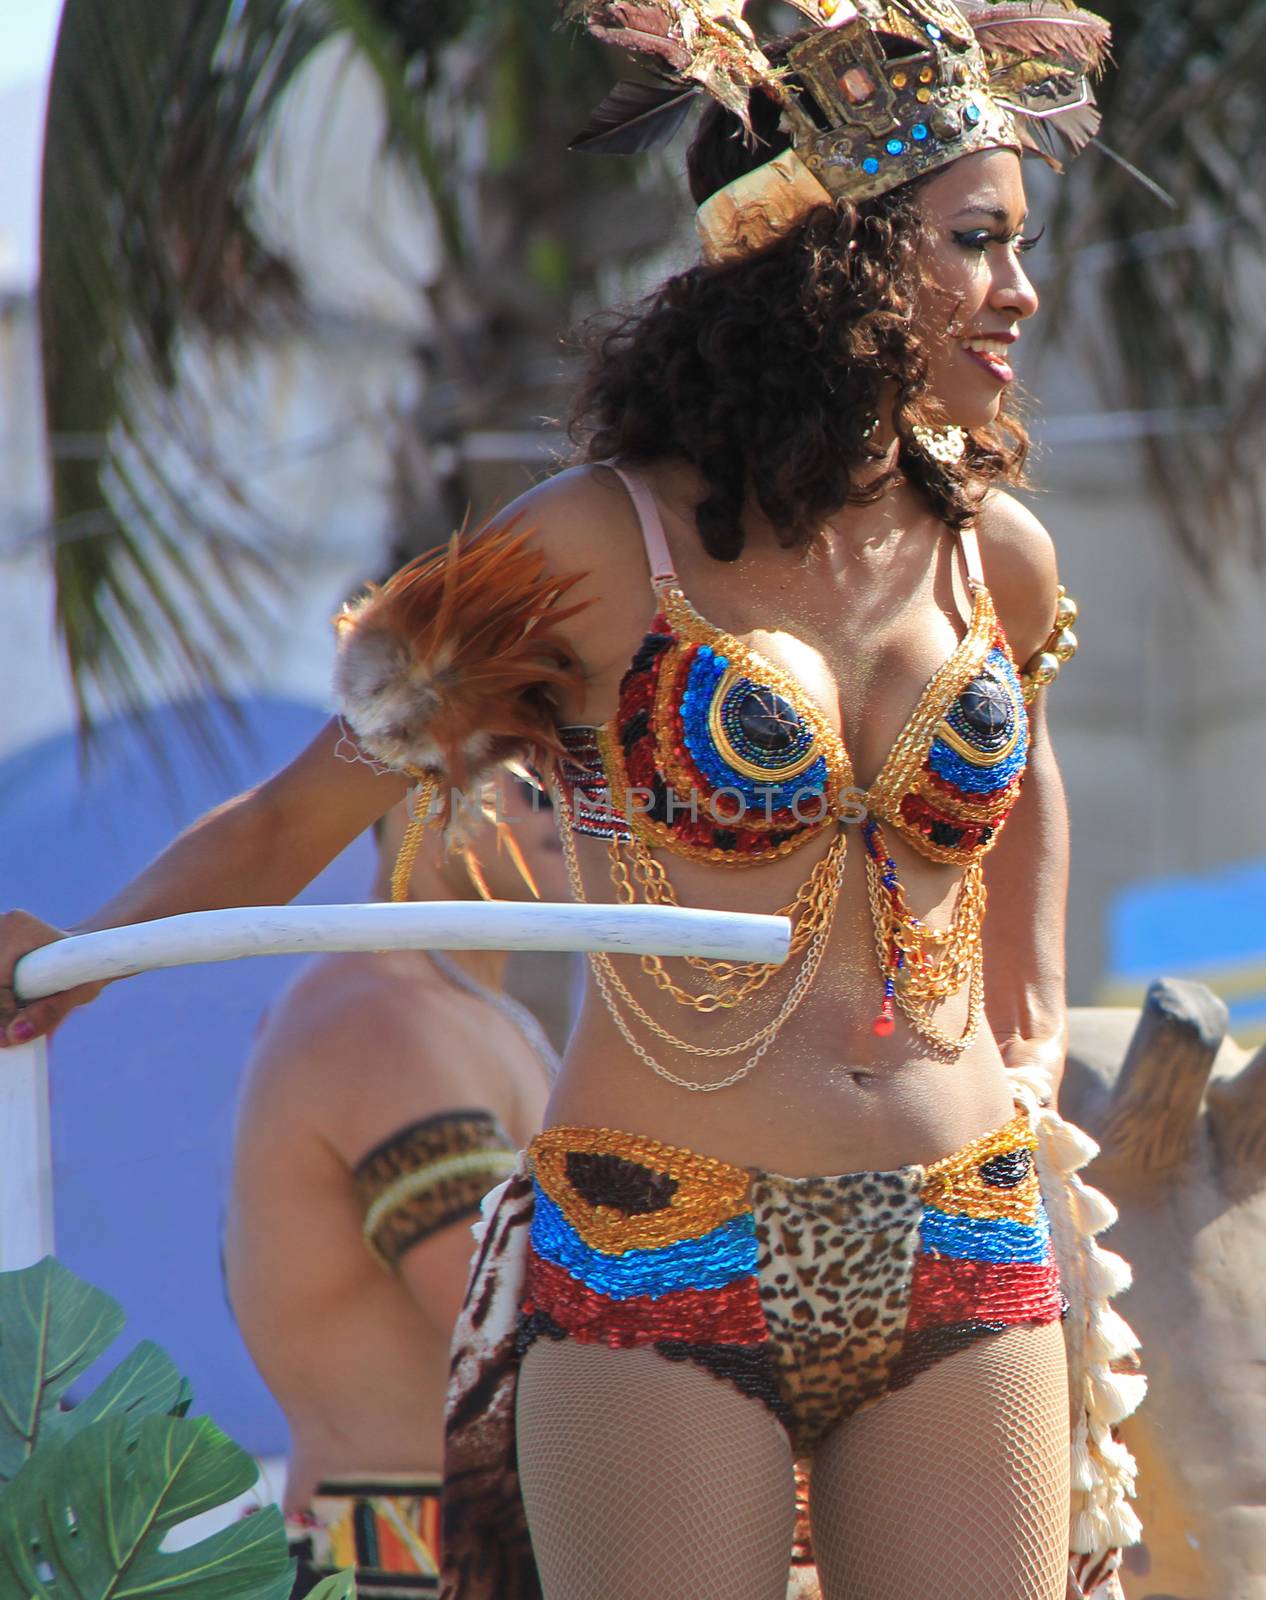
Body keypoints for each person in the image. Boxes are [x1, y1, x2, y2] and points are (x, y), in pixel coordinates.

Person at [0, 1, 1144, 1596]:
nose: (1020, 292)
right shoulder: (598, 549)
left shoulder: (991, 554)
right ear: (835, 258)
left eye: (1018, 245)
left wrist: (1023, 1038)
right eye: (976, 242)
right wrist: (84, 952)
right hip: (657, 1248)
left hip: (963, 1236)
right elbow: (289, 819)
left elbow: (1024, 787)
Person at [225, 779, 568, 1597]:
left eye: (575, 765)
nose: (562, 800)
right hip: (399, 1568)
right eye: (524, 779)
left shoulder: (465, 1009)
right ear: (406, 786)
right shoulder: (383, 1019)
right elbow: (502, 1326)